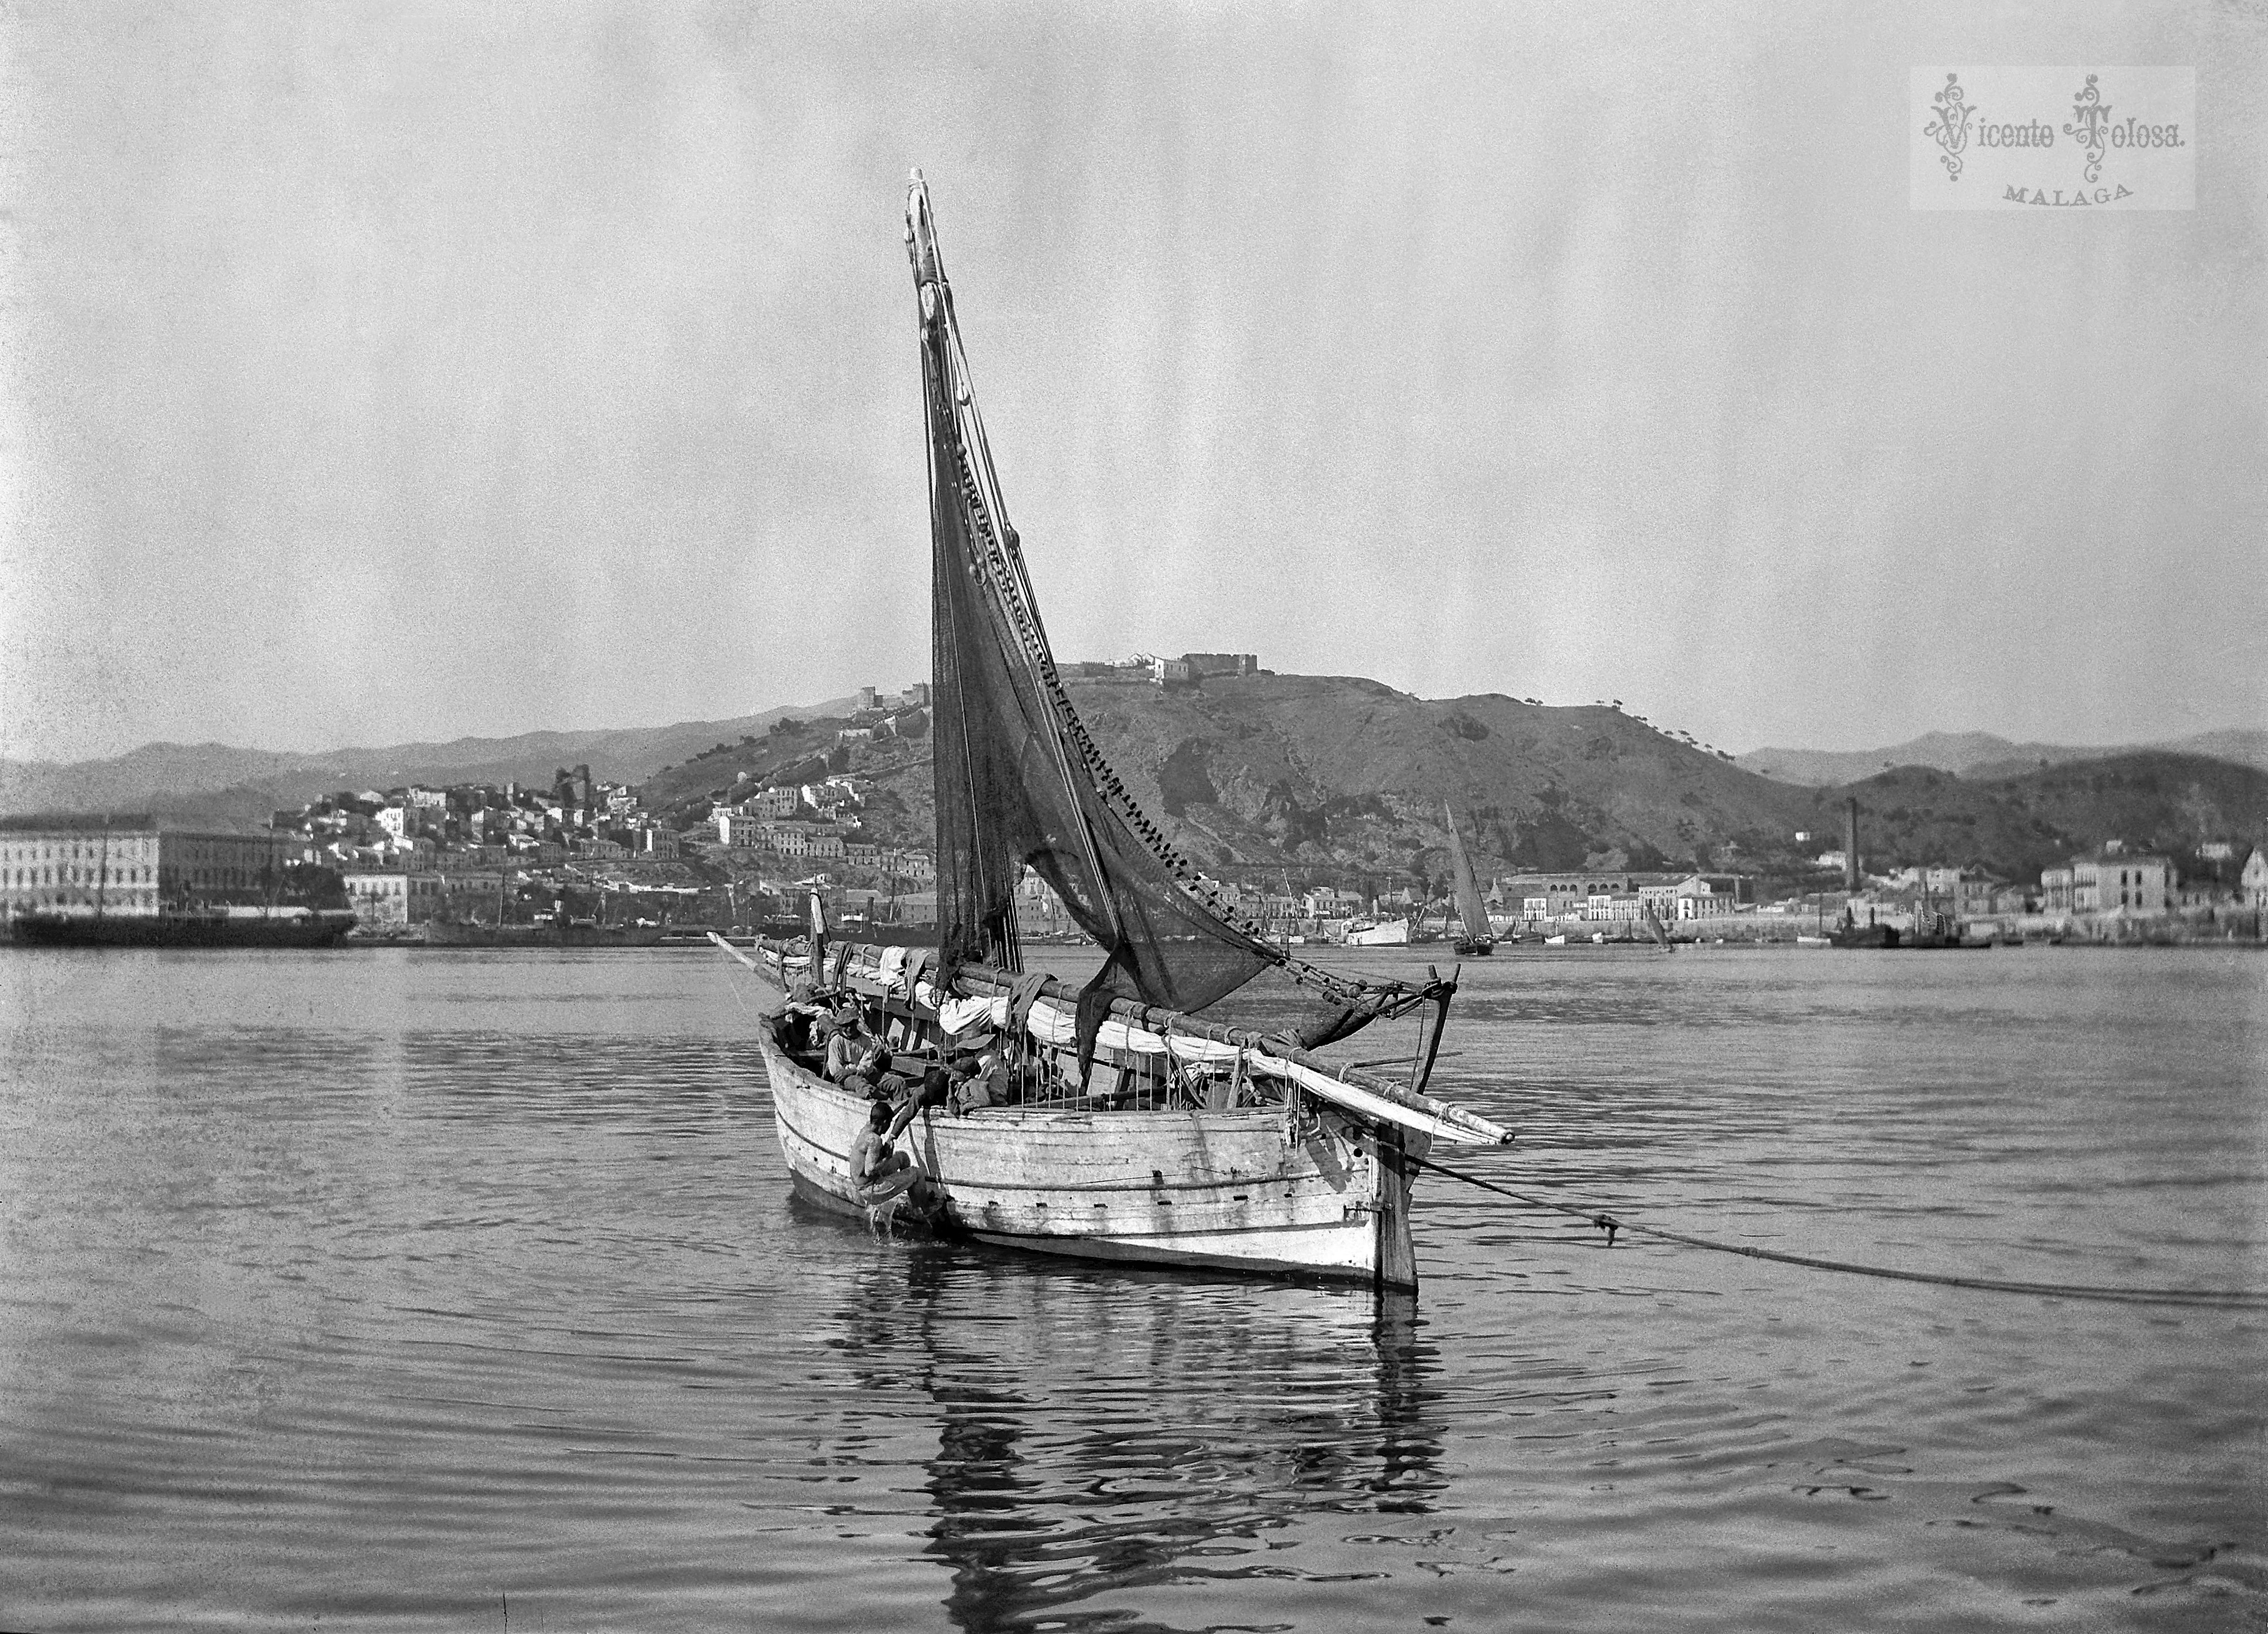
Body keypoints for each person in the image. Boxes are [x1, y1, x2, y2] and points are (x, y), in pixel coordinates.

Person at [846, 1099, 916, 1203]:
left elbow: (887, 1115)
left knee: (902, 1157)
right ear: (885, 1123)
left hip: (865, 1182)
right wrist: (887, 1158)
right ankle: (925, 1209)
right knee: (917, 1174)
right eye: (889, 1123)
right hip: (870, 1189)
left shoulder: (867, 1128)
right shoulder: (874, 1140)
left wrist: (904, 1103)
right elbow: (870, 1171)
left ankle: (913, 1198)